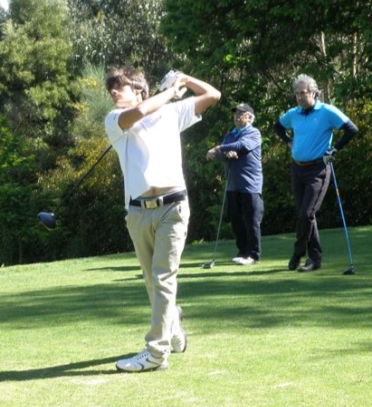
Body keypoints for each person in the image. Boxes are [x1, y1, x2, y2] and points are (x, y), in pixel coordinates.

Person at [104, 66, 221, 372]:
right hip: (138, 211)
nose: (115, 93)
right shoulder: (115, 120)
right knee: (151, 281)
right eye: (112, 89)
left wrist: (184, 79)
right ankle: (172, 325)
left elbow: (213, 95)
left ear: (139, 88)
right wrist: (170, 92)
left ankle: (156, 353)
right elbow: (140, 112)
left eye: (121, 87)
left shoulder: (171, 113)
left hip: (173, 206)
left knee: (162, 277)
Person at [274, 74, 359, 272]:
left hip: (318, 169)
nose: (299, 97)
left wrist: (334, 149)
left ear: (314, 93)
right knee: (306, 216)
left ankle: (299, 252)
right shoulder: (293, 113)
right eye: (296, 94)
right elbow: (277, 126)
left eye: (303, 93)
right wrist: (288, 141)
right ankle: (314, 259)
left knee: (307, 213)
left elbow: (351, 129)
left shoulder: (326, 111)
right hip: (297, 169)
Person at [206, 103, 264, 265]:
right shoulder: (230, 135)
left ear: (250, 118)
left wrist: (219, 148)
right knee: (237, 221)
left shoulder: (254, 133)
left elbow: (242, 146)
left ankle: (254, 255)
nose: (237, 117)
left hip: (250, 185)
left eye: (242, 114)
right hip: (233, 185)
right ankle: (242, 252)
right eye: (236, 114)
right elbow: (223, 155)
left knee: (251, 221)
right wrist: (225, 154)